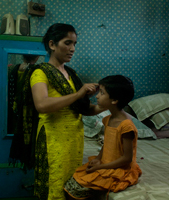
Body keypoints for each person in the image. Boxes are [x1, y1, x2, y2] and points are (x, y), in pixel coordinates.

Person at [9, 23, 106, 200]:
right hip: (53, 140)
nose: (73, 49)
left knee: (69, 185)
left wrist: (108, 104)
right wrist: (78, 94)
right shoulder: (40, 72)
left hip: (74, 139)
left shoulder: (71, 74)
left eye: (75, 44)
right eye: (67, 43)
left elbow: (82, 109)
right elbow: (42, 105)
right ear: (52, 44)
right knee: (53, 186)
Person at [64, 75, 142, 200]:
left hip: (118, 168)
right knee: (72, 183)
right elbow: (108, 144)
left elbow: (127, 158)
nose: (97, 96)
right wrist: (99, 159)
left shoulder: (126, 126)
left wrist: (100, 167)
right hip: (106, 163)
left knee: (77, 189)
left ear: (114, 100)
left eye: (102, 93)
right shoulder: (108, 119)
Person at [8, 54, 40, 135]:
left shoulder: (13, 68)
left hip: (14, 102)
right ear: (37, 57)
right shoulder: (37, 70)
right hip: (29, 105)